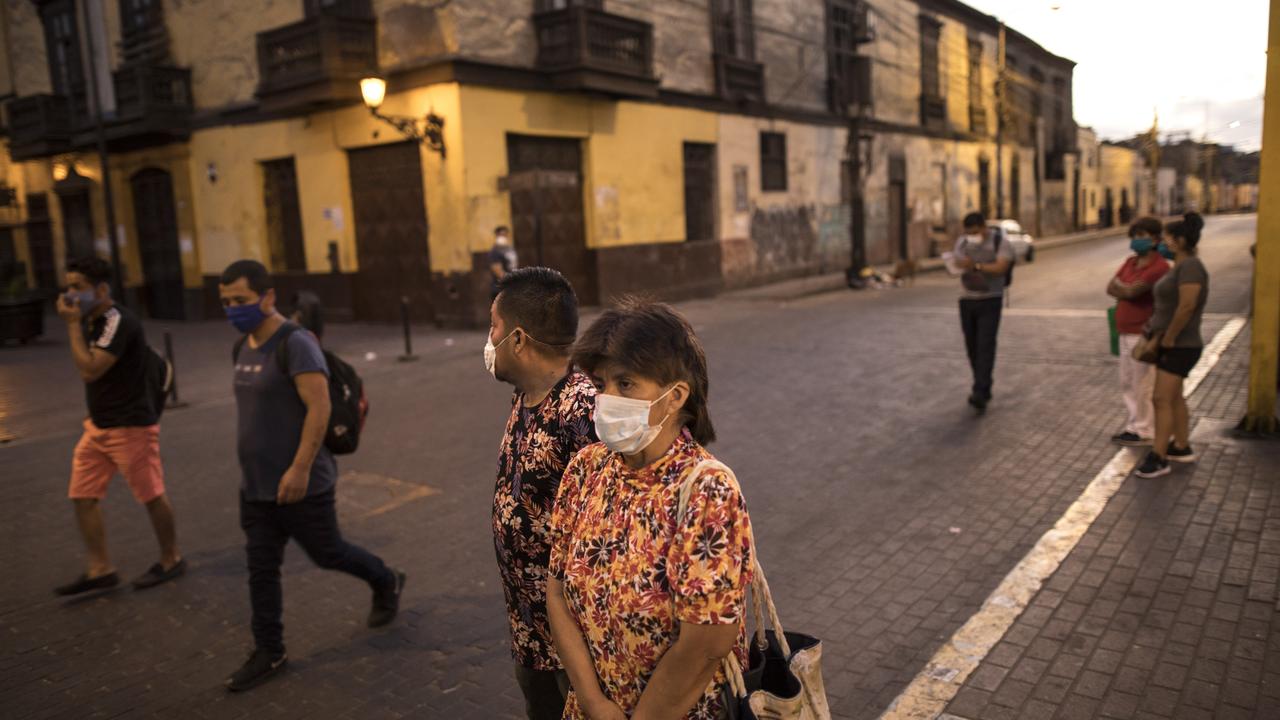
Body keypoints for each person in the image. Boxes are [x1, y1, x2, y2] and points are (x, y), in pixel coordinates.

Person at [547, 300, 753, 720]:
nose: (606, 399)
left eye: (626, 384)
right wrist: (593, 702)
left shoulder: (707, 490)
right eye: (601, 383)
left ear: (675, 396)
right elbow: (557, 592)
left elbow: (706, 644)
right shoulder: (586, 469)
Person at [219, 260, 405, 691]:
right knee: (261, 568)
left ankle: (386, 578)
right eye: (226, 302)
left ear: (267, 297)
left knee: (329, 553)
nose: (232, 309)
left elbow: (319, 408)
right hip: (257, 486)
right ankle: (269, 649)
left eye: (241, 301)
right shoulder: (242, 345)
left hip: (303, 483)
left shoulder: (296, 343)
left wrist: (299, 468)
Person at [488, 267, 597, 720]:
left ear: (517, 339)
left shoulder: (583, 409)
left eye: (492, 326)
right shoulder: (524, 394)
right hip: (528, 627)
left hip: (573, 646)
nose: (488, 339)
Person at [53, 257, 184, 595]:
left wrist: (69, 325)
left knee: (151, 495)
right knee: (82, 495)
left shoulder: (116, 321)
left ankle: (171, 559)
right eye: (67, 286)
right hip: (98, 427)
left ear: (101, 289)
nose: (70, 294)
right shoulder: (91, 320)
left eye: (77, 287)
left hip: (130, 427)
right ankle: (100, 568)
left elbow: (90, 369)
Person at [1135, 213, 1209, 479]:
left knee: (1160, 399)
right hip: (1174, 342)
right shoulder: (1180, 266)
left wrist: (1170, 336)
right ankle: (1181, 445)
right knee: (1175, 397)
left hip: (1180, 344)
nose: (1162, 243)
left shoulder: (1190, 267)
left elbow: (1187, 304)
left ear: (1179, 241)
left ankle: (1159, 456)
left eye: (1166, 239)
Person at [1106, 217, 1170, 445]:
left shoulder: (1159, 267)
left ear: (1155, 239)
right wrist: (1126, 289)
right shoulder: (1131, 262)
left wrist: (1124, 289)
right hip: (1123, 329)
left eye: (1143, 236)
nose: (1137, 241)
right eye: (1135, 236)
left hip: (1142, 332)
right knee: (1127, 380)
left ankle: (1145, 428)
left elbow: (1132, 292)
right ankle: (1134, 424)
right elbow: (1110, 286)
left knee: (1142, 383)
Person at [953, 211, 1016, 413]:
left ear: (983, 227)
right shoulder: (962, 242)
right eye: (967, 232)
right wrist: (955, 265)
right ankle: (982, 385)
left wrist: (977, 266)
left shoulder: (1000, 242)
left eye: (974, 232)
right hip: (966, 300)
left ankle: (980, 391)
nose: (971, 235)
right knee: (972, 346)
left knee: (985, 344)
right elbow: (956, 262)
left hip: (991, 300)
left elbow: (1001, 268)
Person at [490, 225, 518, 300]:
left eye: (505, 235)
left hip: (512, 287)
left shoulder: (510, 249)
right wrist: (511, 282)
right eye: (501, 235)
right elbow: (497, 270)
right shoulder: (495, 251)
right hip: (500, 288)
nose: (503, 237)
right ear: (496, 236)